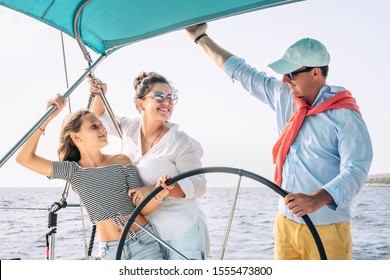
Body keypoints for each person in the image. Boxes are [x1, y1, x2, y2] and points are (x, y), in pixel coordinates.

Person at [186, 23, 373, 260]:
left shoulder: (345, 116)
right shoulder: (285, 96)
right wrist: (200, 37)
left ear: (316, 73)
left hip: (326, 230)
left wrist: (318, 199)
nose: (285, 79)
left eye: (292, 73)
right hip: (285, 223)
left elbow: (356, 169)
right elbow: (241, 72)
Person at [16, 93, 174, 260]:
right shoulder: (72, 170)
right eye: (94, 126)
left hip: (144, 242)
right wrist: (47, 117)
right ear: (76, 137)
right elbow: (24, 158)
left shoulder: (121, 160)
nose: (102, 129)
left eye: (101, 125)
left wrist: (159, 194)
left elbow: (140, 209)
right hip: (111, 252)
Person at [88, 71, 210, 260]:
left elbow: (198, 184)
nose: (166, 102)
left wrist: (157, 190)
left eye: (170, 98)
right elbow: (101, 117)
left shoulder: (180, 141)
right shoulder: (129, 129)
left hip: (183, 232)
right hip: (148, 235)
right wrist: (98, 94)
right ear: (140, 103)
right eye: (159, 96)